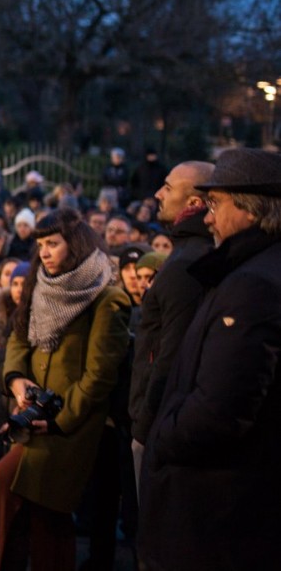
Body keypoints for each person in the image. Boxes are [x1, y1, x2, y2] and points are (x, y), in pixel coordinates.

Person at [139, 148, 281, 570]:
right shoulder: (245, 272)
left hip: (216, 510)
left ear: (252, 210)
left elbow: (219, 410)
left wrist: (162, 436)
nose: (207, 217)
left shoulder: (253, 285)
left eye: (216, 204)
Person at [0, 208, 131, 571]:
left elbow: (99, 376)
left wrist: (60, 421)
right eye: (40, 245)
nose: (44, 252)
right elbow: (20, 337)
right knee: (37, 511)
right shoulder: (39, 285)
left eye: (53, 243)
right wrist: (16, 379)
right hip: (31, 414)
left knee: (26, 495)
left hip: (71, 428)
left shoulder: (107, 299)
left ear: (75, 244)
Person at [127, 161, 214, 496]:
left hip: (159, 425)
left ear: (193, 203)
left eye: (167, 187)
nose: (157, 193)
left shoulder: (184, 265)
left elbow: (170, 353)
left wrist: (144, 424)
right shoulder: (186, 255)